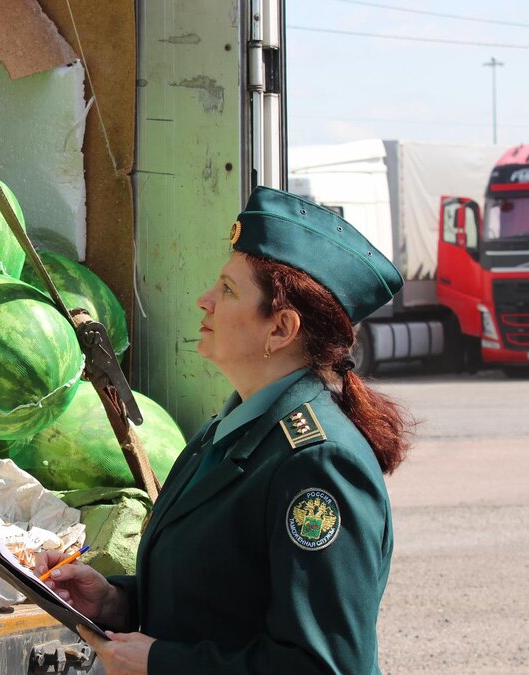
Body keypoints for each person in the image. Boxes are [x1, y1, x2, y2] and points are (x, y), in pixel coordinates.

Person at [37, 186, 413, 674]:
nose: (204, 300)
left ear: (280, 329)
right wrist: (114, 601)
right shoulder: (232, 430)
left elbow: (323, 666)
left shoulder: (318, 464)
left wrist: (163, 663)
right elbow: (216, 603)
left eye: (229, 290)